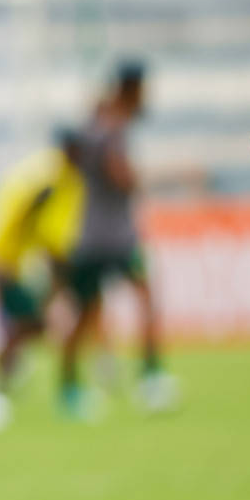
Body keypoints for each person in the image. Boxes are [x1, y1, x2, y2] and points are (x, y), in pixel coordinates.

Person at [59, 61, 175, 416]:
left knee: (86, 314)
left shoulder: (98, 121)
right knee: (143, 300)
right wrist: (148, 179)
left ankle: (69, 390)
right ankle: (151, 380)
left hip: (92, 235)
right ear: (132, 89)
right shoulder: (111, 129)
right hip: (115, 237)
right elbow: (120, 176)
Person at [0, 129, 83, 432]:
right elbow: (33, 222)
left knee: (24, 326)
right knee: (27, 326)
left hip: (5, 258)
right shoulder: (52, 181)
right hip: (4, 260)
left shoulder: (47, 173)